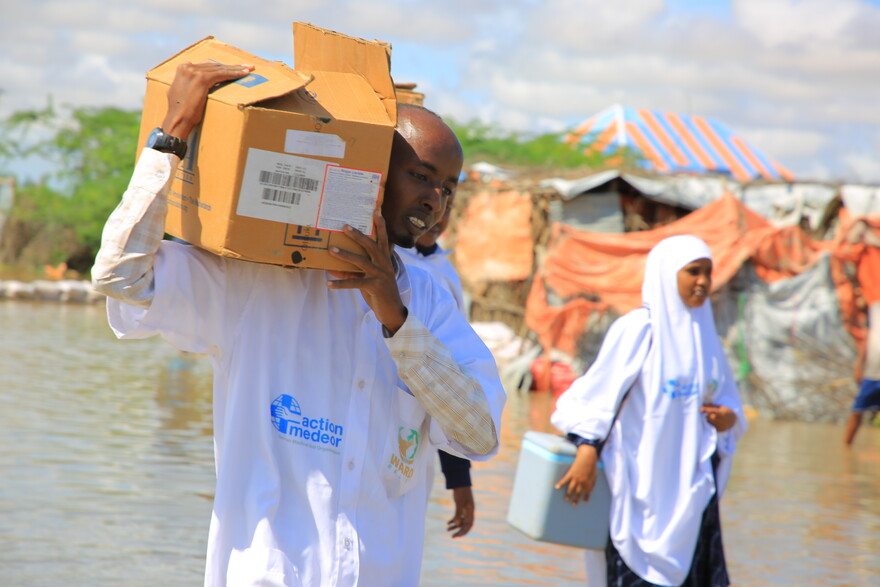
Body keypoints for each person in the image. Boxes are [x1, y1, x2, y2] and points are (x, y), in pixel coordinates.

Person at [91, 62, 505, 586]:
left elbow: (479, 432)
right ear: (372, 171)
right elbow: (121, 277)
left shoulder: (428, 300)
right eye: (420, 177)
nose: (435, 200)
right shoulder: (258, 282)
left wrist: (394, 316)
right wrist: (172, 137)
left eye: (448, 187)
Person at [551, 234, 746, 587]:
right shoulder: (639, 330)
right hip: (636, 488)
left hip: (690, 494)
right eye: (693, 272)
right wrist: (586, 448)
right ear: (667, 274)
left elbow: (730, 405)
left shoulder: (707, 338)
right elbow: (594, 397)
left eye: (707, 272)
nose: (703, 281)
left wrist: (728, 419)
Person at [396, 190, 475, 538]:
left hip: (412, 436)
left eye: (449, 206)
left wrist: (459, 480)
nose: (437, 215)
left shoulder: (445, 277)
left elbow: (450, 378)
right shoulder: (388, 259)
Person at [845, 291, 880, 446]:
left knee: (858, 410)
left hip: (873, 370)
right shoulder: (873, 312)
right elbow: (866, 340)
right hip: (873, 372)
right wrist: (859, 365)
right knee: (858, 409)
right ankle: (846, 449)